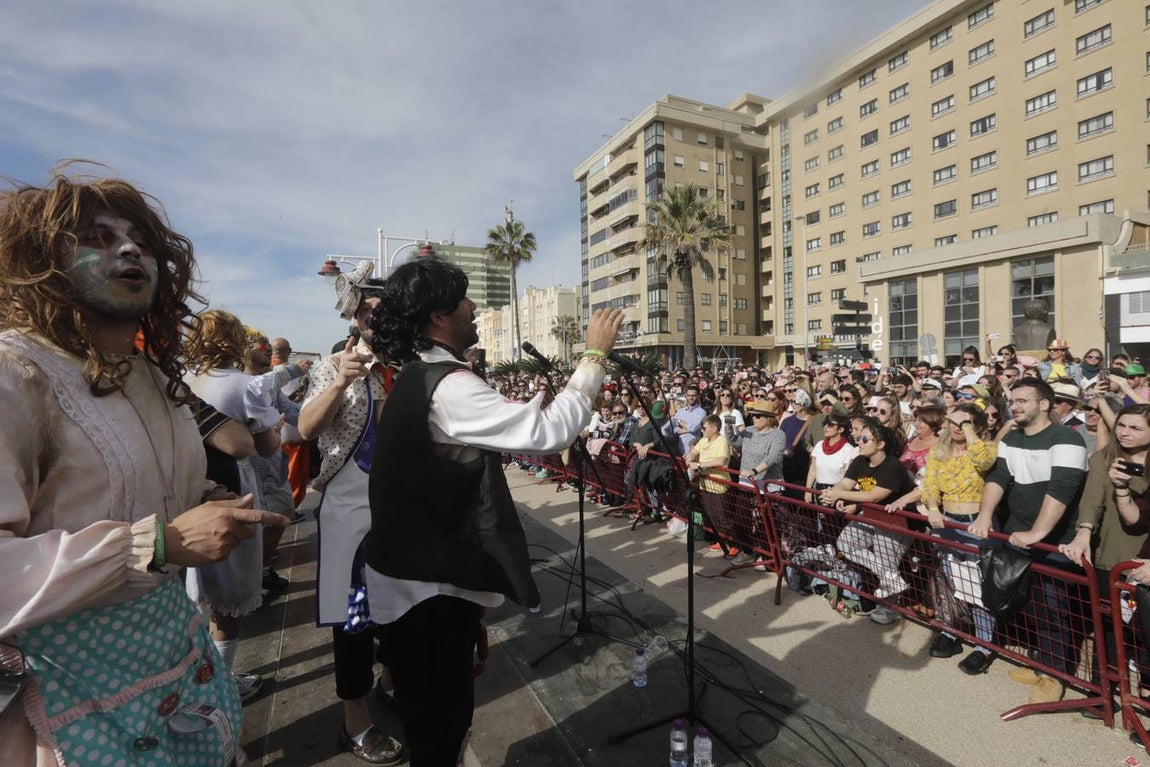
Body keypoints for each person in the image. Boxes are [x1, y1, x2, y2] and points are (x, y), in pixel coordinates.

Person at [0, 168, 287, 765]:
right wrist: (156, 545)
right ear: (43, 261)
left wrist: (198, 500)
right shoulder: (14, 373)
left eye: (141, 241)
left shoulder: (154, 378)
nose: (130, 250)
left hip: (173, 668)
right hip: (66, 700)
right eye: (97, 238)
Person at [364, 258, 622, 765]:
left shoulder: (418, 374)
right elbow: (548, 432)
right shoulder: (448, 386)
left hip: (415, 580)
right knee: (440, 729)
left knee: (434, 721)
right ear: (438, 316)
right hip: (425, 591)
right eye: (462, 300)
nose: (473, 306)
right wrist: (593, 357)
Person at [296, 263, 405, 764]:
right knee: (352, 616)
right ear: (354, 319)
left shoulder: (405, 364)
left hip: (397, 504)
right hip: (347, 503)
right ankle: (355, 722)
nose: (374, 320)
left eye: (382, 311)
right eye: (366, 313)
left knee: (398, 602)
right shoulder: (334, 365)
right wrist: (340, 381)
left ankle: (391, 680)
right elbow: (305, 428)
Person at [184, 309, 286, 702]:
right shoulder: (246, 385)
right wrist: (275, 428)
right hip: (232, 489)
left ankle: (195, 679)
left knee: (191, 593)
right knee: (229, 600)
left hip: (186, 488)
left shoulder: (182, 380)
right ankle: (221, 686)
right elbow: (266, 447)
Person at [968, 378, 1089, 705]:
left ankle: (1055, 675)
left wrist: (1037, 533)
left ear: (1045, 404)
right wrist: (984, 515)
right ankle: (1042, 665)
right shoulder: (1012, 438)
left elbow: (1061, 489)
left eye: (1022, 400)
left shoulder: (1067, 439)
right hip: (1016, 536)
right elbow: (998, 477)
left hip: (1054, 543)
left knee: (1053, 609)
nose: (1014, 406)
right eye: (1012, 400)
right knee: (1031, 605)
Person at [919, 404, 999, 675]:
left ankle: (983, 645)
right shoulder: (939, 451)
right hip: (947, 523)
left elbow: (984, 461)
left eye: (965, 423)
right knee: (950, 581)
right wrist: (932, 508)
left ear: (978, 426)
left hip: (976, 525)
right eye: (953, 421)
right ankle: (951, 631)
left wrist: (967, 427)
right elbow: (930, 484)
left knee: (977, 586)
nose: (957, 427)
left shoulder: (987, 448)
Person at [822, 420, 918, 624]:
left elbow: (874, 495)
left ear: (880, 444)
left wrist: (839, 494)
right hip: (873, 516)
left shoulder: (893, 466)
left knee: (887, 560)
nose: (859, 442)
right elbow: (845, 484)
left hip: (898, 521)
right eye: (858, 438)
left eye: (864, 439)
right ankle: (892, 580)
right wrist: (833, 494)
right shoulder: (860, 460)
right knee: (846, 544)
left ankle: (889, 608)